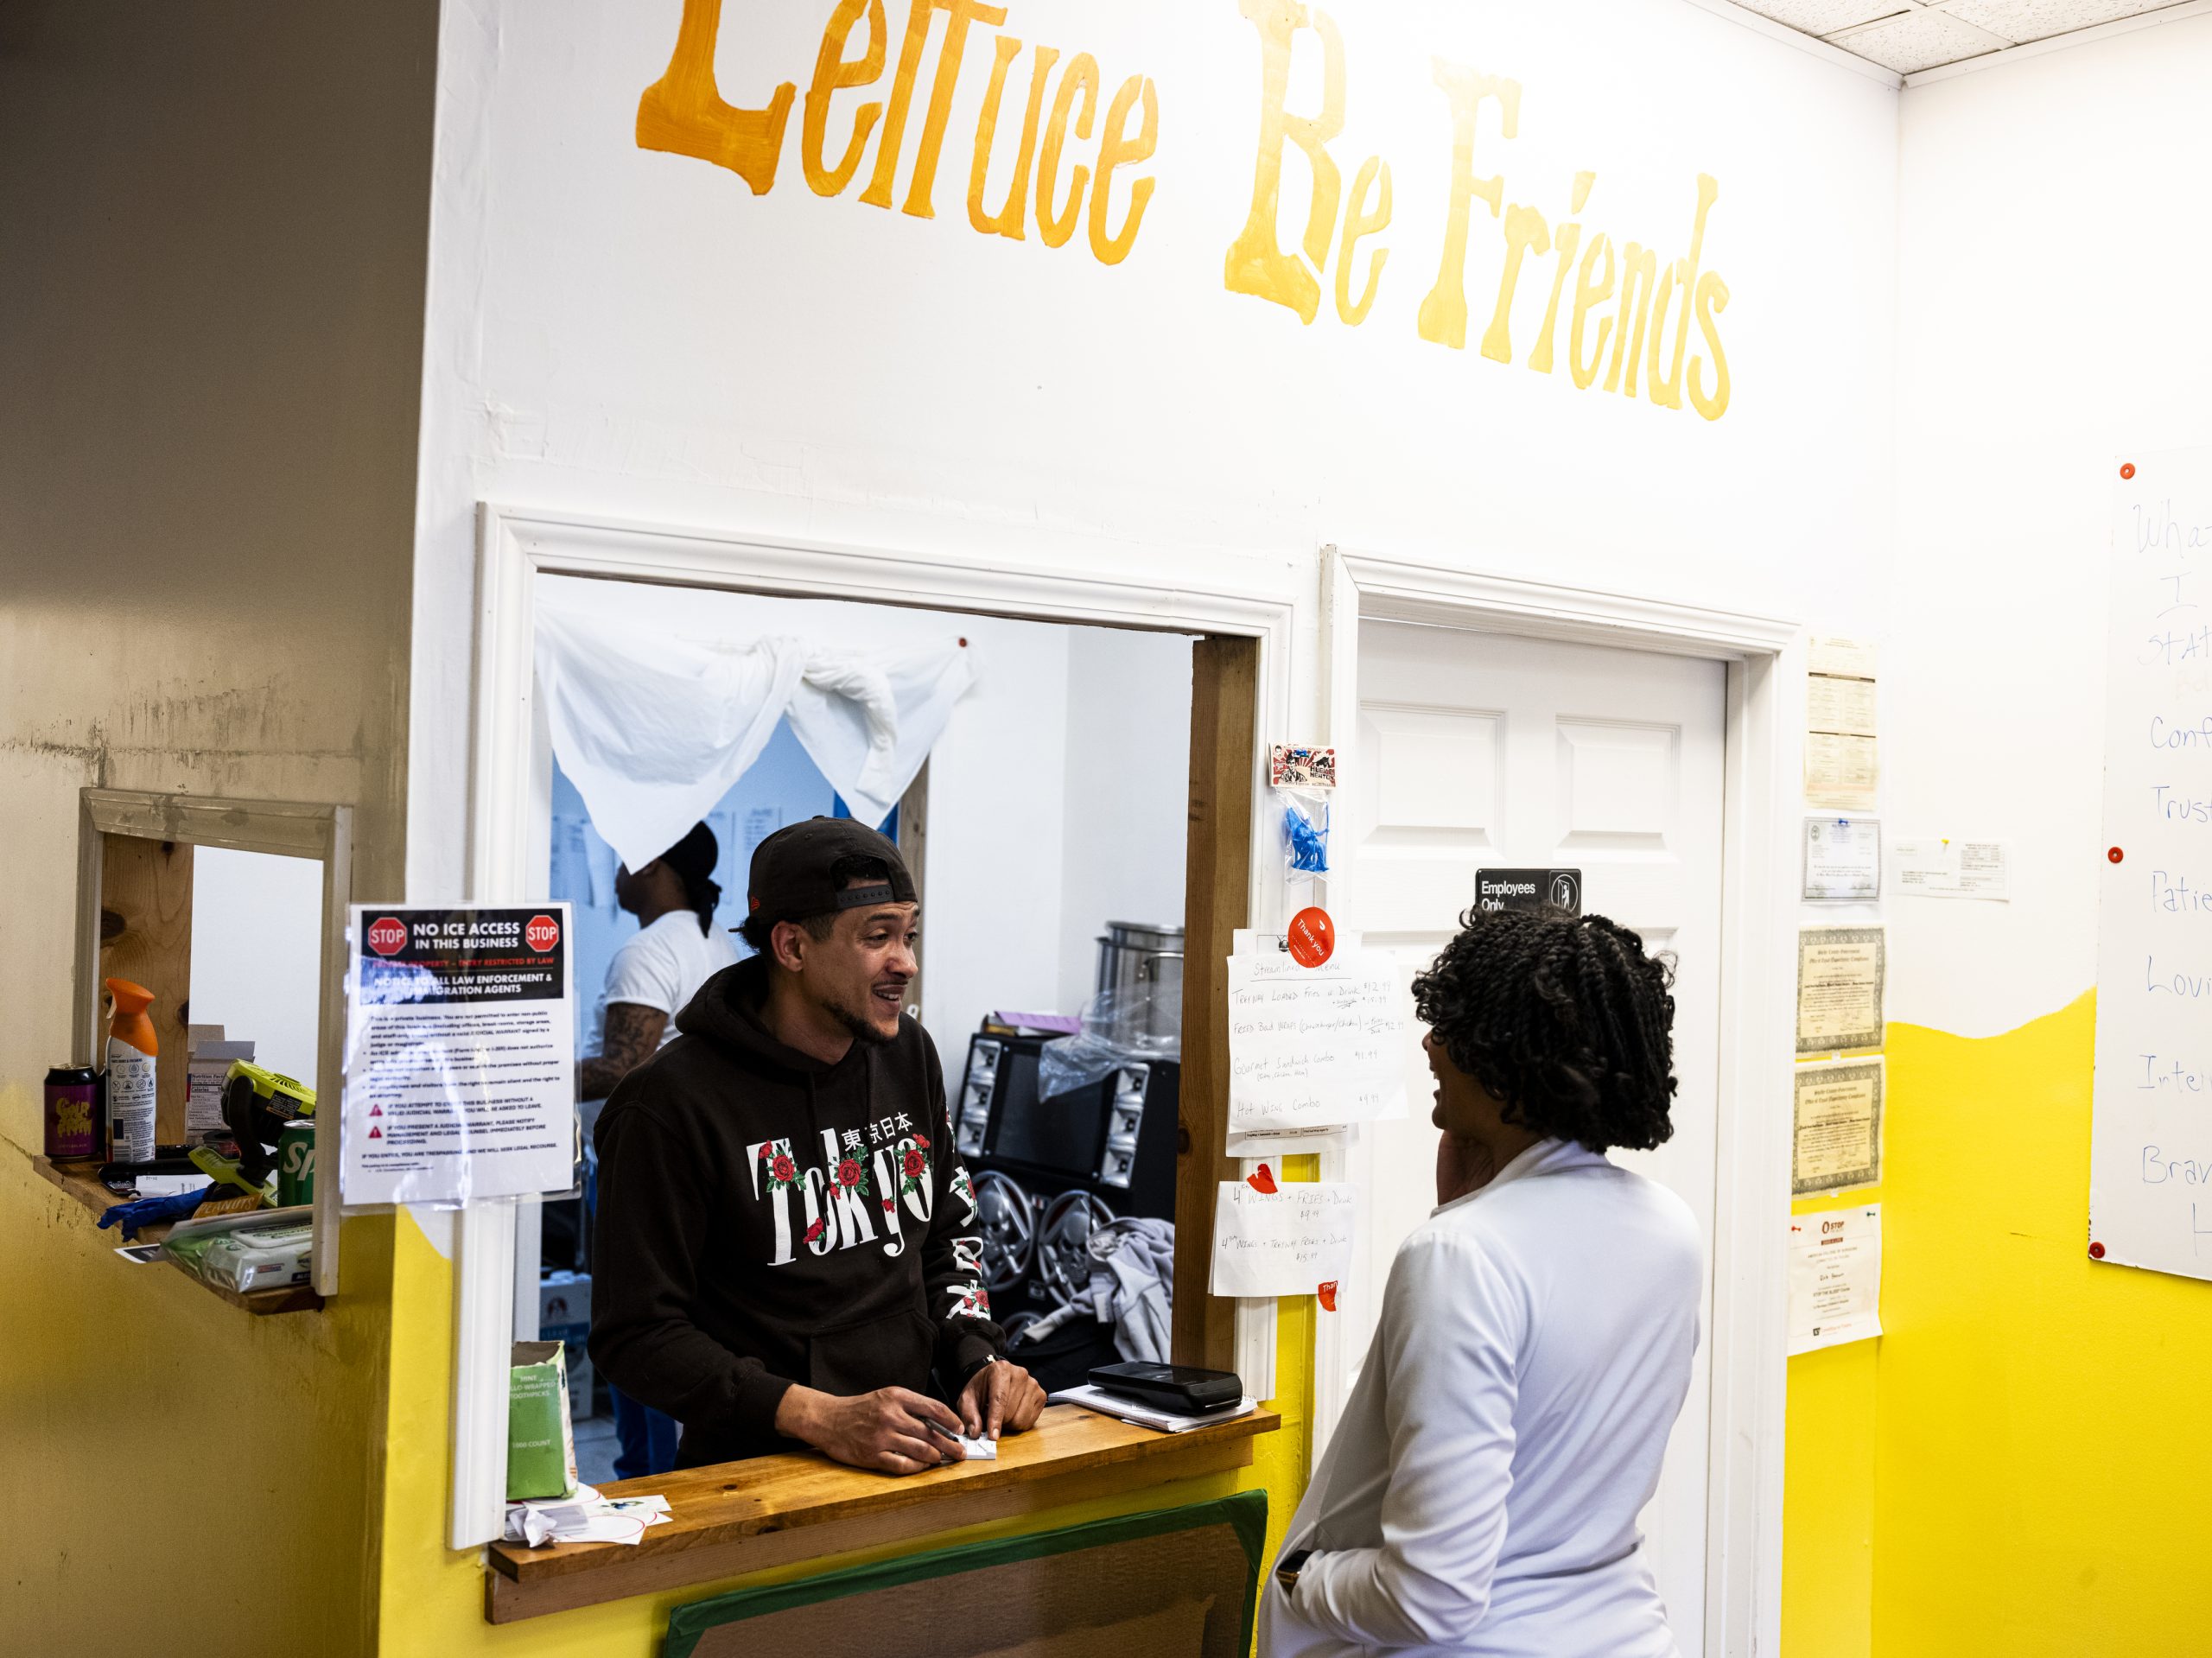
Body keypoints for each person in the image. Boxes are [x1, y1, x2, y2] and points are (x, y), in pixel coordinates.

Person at [1261, 908, 1702, 1658]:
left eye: (1456, 1028)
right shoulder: (1670, 1229)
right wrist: (1466, 1203)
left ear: (1513, 1066)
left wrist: (1303, 1576)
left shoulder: (1460, 1256)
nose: (1431, 1044)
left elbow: (1432, 1595)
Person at [589, 816, 1047, 1473]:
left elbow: (946, 1233)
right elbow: (636, 1334)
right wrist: (820, 1415)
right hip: (757, 1477)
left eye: (909, 934)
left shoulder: (907, 1055)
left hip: (924, 1448)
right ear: (793, 946)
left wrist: (980, 1355)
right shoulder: (667, 1105)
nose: (907, 963)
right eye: (877, 937)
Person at [575, 820, 737, 1479]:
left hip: (635, 1173)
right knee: (674, 1326)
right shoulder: (719, 944)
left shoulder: (645, 951)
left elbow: (624, 1067)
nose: (615, 871)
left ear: (654, 866)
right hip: (700, 1172)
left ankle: (643, 1474)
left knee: (632, 1329)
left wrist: (525, 1071)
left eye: (624, 857)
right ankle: (664, 1470)